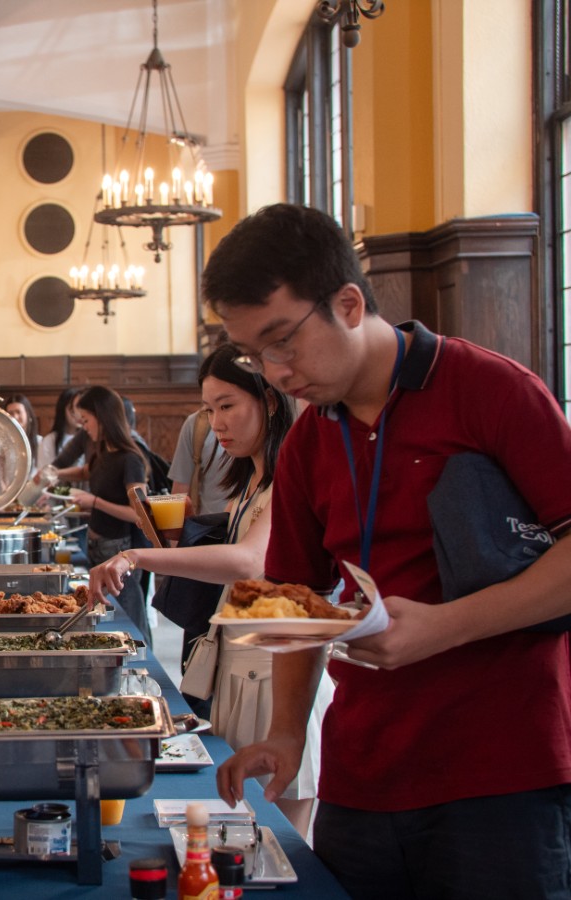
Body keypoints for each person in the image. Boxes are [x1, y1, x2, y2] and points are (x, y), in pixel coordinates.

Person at [208, 204, 571, 898]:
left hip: (501, 776)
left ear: (348, 303)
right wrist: (287, 734)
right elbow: (295, 596)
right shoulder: (314, 438)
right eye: (255, 355)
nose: (276, 372)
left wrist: (445, 627)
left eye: (282, 341)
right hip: (363, 775)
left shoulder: (491, 391)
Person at [89, 345, 329, 837]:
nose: (215, 424)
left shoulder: (288, 475)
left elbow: (251, 563)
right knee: (241, 835)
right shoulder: (250, 481)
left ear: (271, 402)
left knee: (279, 840)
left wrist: (137, 555)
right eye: (208, 409)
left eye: (227, 406)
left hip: (277, 677)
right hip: (238, 670)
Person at [54, 386, 150, 642]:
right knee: (109, 618)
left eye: (86, 420)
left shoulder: (130, 459)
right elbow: (87, 471)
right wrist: (53, 474)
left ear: (103, 417)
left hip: (119, 551)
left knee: (129, 620)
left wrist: (94, 501)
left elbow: (139, 514)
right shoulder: (101, 452)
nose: (83, 427)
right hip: (97, 545)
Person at [168, 409, 229, 516]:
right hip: (206, 524)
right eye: (209, 408)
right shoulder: (197, 424)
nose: (216, 425)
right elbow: (179, 493)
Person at [35, 387, 82, 472]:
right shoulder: (49, 441)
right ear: (62, 410)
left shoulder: (87, 437)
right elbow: (44, 472)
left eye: (79, 409)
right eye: (71, 409)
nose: (76, 414)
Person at [3, 393, 39, 473]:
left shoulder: (40, 442)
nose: (15, 417)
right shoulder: (0, 444)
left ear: (28, 414)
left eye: (18, 412)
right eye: (11, 413)